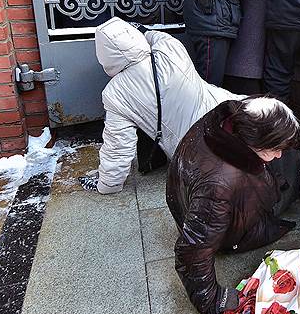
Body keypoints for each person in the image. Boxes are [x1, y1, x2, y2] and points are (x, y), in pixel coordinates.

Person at [166, 97, 300, 314]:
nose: (279, 154)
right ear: (255, 143)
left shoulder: (233, 117)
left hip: (195, 202)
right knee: (290, 186)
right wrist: (212, 301)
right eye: (275, 148)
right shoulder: (219, 185)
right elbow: (192, 250)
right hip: (232, 231)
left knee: (291, 158)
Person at [77, 17, 240, 194]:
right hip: (232, 112)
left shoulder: (116, 93)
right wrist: (143, 31)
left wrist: (107, 184)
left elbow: (118, 146)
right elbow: (154, 35)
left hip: (200, 153)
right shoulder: (168, 47)